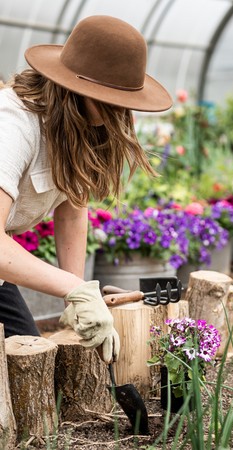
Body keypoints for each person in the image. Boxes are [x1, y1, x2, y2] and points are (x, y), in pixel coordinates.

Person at [0, 15, 172, 363]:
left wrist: (76, 297)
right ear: (73, 88)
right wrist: (73, 288)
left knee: (30, 357)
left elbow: (73, 207)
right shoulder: (13, 125)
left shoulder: (81, 124)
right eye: (107, 98)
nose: (118, 111)